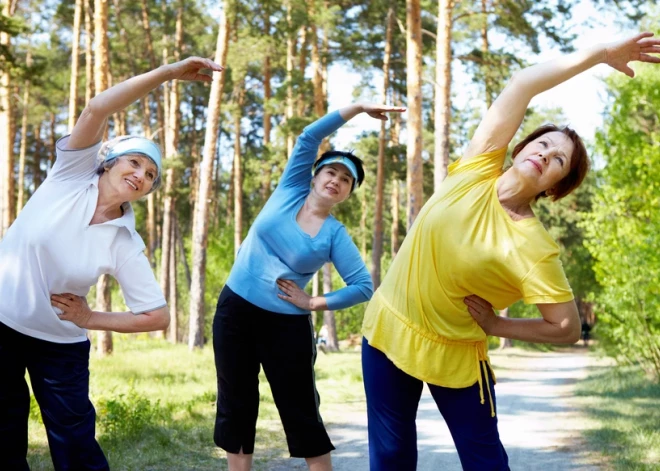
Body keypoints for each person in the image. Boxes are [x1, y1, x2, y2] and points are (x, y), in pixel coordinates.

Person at [360, 33, 660, 471]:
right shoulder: (477, 169)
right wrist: (599, 55)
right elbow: (523, 84)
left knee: (486, 464)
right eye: (543, 143)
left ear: (554, 186)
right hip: (388, 333)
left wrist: (499, 324)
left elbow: (566, 327)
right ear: (520, 148)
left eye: (559, 159)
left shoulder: (533, 246)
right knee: (390, 460)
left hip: (457, 355)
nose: (546, 153)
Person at [0, 56, 223, 471]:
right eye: (134, 162)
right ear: (109, 161)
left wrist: (90, 316)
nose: (141, 175)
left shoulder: (125, 241)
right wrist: (167, 74)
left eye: (151, 175)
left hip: (60, 347)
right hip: (1, 323)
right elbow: (97, 108)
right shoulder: (69, 176)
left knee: (76, 447)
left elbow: (157, 317)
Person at [213, 103, 405, 471]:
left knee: (299, 406)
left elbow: (364, 286)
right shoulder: (289, 190)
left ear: (347, 193)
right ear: (315, 176)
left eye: (346, 180)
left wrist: (314, 301)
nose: (336, 180)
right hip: (235, 309)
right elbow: (309, 136)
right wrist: (358, 109)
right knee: (235, 400)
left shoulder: (335, 234)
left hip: (287, 326)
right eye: (331, 171)